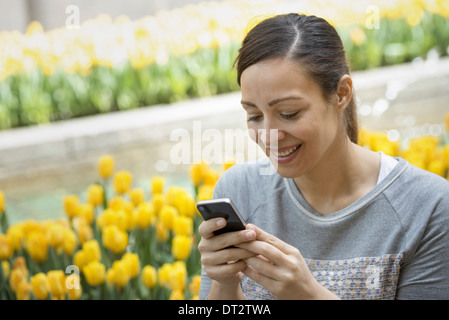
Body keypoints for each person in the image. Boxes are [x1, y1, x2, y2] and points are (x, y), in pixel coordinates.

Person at [197, 13, 449, 300]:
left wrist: (309, 295)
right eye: (254, 116)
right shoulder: (240, 191)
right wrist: (226, 283)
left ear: (342, 93)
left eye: (288, 113)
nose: (268, 135)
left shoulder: (429, 208)